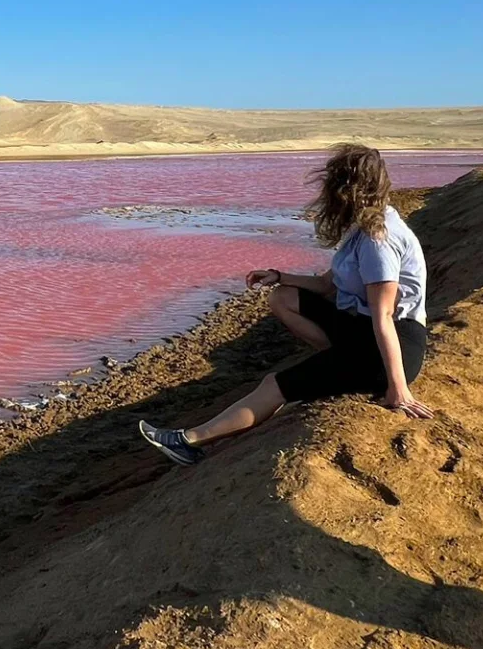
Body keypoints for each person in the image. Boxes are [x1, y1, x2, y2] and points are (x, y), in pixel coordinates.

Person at [140, 143, 432, 467]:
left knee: (275, 385)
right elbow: (324, 285)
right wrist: (279, 275)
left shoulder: (379, 239)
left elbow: (385, 316)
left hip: (390, 347)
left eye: (332, 184)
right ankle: (334, 361)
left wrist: (398, 389)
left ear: (347, 190)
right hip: (363, 331)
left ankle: (187, 441)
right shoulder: (364, 230)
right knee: (282, 296)